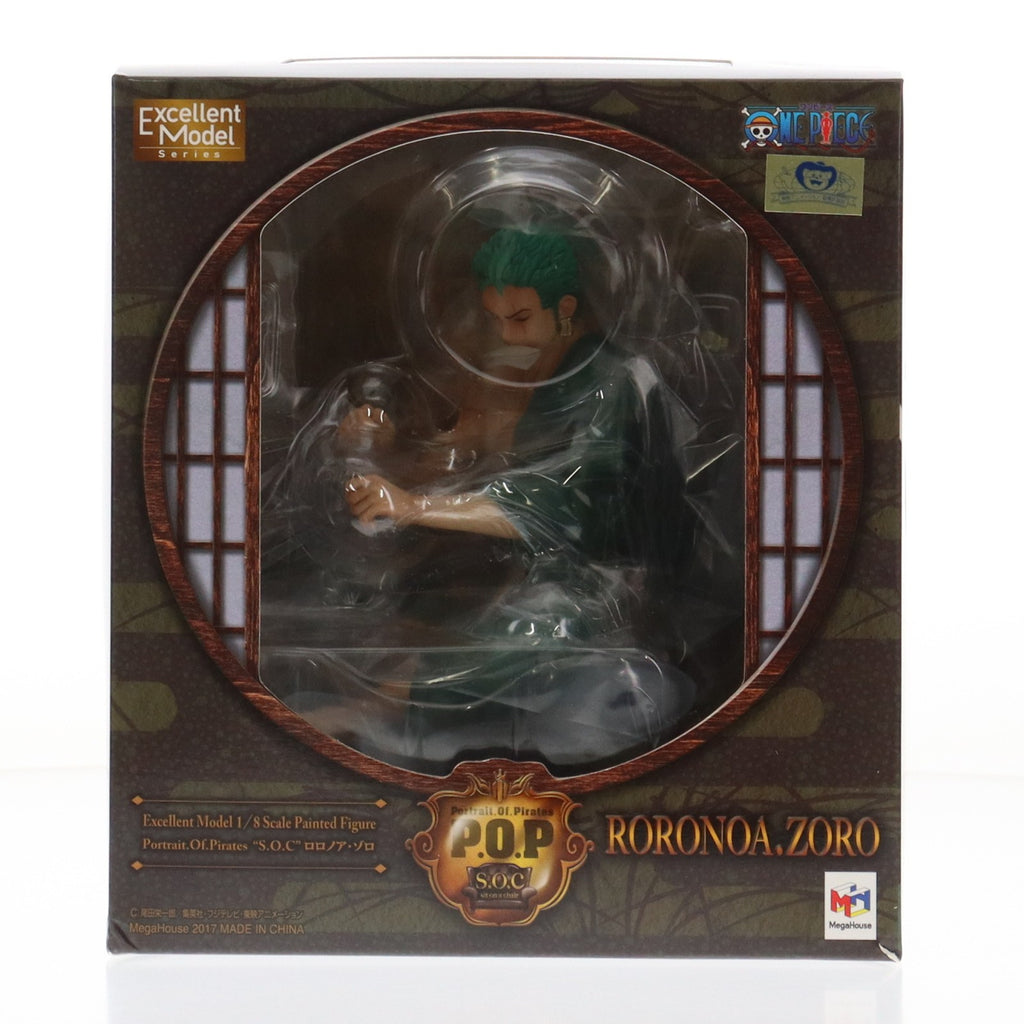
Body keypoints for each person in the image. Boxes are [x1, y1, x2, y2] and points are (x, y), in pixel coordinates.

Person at [334, 229, 703, 771]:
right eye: (495, 318)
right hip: (524, 568)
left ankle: (382, 712)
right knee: (415, 618)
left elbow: (557, 505)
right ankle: (381, 703)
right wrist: (380, 445)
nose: (506, 332)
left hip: (605, 589)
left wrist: (415, 506)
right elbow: (456, 455)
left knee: (500, 649)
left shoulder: (613, 382)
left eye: (520, 318)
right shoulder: (528, 368)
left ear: (565, 308)